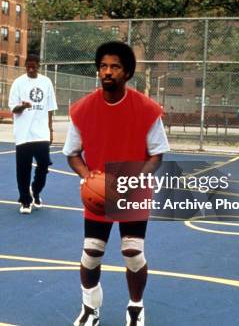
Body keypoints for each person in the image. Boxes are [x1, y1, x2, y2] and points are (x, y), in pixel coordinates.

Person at [63, 41, 169, 326]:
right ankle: (90, 307)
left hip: (132, 187)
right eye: (103, 66)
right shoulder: (83, 109)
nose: (107, 72)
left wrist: (136, 179)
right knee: (92, 253)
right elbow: (72, 154)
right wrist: (88, 177)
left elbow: (157, 154)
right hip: (99, 188)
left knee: (133, 254)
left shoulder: (146, 109)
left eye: (115, 67)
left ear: (127, 73)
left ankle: (136, 307)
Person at [8, 54, 58, 214]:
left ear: (38, 66)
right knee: (23, 169)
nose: (30, 69)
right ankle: (25, 201)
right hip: (23, 134)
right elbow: (13, 109)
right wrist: (22, 107)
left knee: (43, 165)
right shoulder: (18, 83)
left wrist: (50, 130)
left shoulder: (46, 82)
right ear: (25, 66)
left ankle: (35, 190)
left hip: (41, 133)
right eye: (28, 66)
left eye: (33, 66)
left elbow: (50, 108)